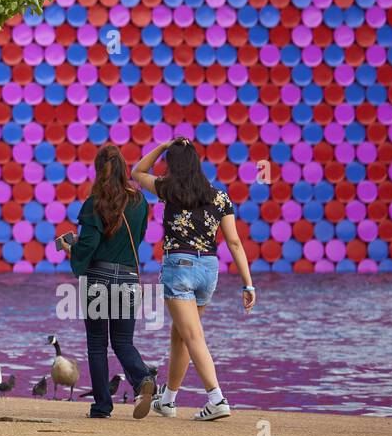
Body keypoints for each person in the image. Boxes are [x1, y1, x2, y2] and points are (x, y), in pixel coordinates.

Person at [132, 137, 257, 420]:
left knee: (192, 336)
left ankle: (216, 398)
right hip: (209, 271)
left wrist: (162, 147)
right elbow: (234, 243)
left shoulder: (168, 188)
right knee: (180, 337)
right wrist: (247, 283)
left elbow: (137, 173)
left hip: (180, 266)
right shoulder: (220, 196)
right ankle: (168, 400)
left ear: (173, 165)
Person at [60, 145, 157, 419]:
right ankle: (142, 379)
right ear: (125, 169)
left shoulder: (94, 204)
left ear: (97, 170)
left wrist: (72, 251)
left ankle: (102, 406)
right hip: (127, 279)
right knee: (124, 342)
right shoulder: (140, 202)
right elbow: (136, 240)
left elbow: (88, 246)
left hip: (99, 280)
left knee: (97, 344)